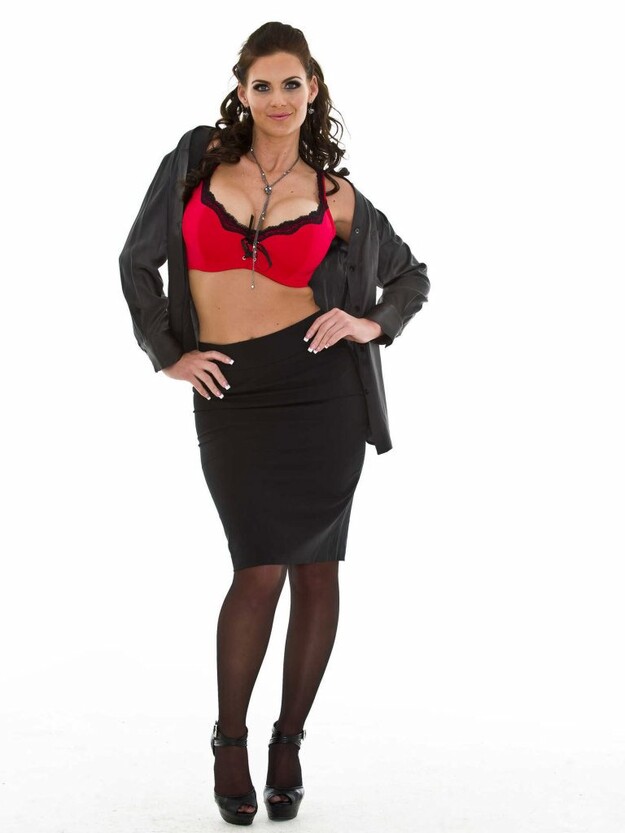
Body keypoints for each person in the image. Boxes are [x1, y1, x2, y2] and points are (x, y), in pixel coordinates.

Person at [119, 20, 430, 826]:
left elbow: (410, 276)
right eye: (263, 85)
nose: (279, 98)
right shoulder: (195, 161)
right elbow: (136, 261)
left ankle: (287, 741)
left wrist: (370, 322)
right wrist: (167, 353)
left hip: (322, 393)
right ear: (242, 91)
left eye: (293, 83)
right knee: (256, 565)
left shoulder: (336, 195)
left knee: (317, 570)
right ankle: (229, 740)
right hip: (231, 390)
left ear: (312, 89)